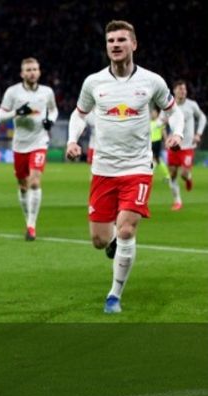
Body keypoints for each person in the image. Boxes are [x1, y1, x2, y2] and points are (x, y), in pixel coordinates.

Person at [65, 20, 184, 314]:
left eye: (121, 40)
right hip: (103, 170)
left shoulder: (151, 81)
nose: (115, 45)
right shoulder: (94, 83)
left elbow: (173, 111)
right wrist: (72, 140)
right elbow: (79, 114)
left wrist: (177, 133)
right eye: (111, 41)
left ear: (134, 44)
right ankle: (114, 240)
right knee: (99, 240)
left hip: (138, 168)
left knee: (128, 229)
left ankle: (114, 295)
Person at [0, 57, 58, 241]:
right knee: (23, 187)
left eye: (35, 69)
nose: (32, 72)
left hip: (39, 142)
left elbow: (54, 110)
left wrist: (50, 120)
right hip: (20, 145)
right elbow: (0, 117)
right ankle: (27, 220)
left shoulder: (47, 92)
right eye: (28, 70)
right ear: (22, 73)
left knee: (35, 182)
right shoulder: (13, 92)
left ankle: (31, 226)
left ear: (39, 72)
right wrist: (16, 112)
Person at [165, 80, 206, 211]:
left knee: (183, 174)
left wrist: (198, 134)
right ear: (174, 91)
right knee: (172, 175)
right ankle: (177, 201)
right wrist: (166, 137)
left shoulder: (192, 105)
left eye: (184, 89)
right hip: (174, 146)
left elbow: (203, 118)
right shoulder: (168, 105)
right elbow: (160, 121)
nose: (183, 91)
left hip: (188, 147)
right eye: (180, 89)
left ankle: (188, 178)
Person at [149, 107, 170, 182]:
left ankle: (150, 175)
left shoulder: (159, 122)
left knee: (154, 159)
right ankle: (167, 175)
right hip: (150, 143)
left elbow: (163, 132)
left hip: (156, 142)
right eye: (151, 113)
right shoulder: (149, 122)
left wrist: (166, 140)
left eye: (154, 113)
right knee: (156, 160)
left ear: (157, 114)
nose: (152, 114)